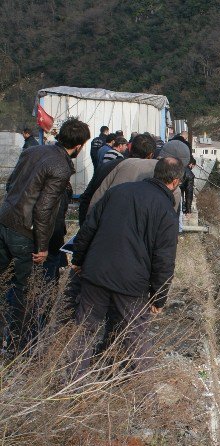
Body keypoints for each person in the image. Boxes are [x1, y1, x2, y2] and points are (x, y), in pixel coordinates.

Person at [70, 157, 182, 375]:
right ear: (176, 181)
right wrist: (159, 298)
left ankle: (72, 383)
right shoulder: (167, 212)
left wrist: (78, 260)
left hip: (96, 272)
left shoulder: (118, 192)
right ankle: (141, 394)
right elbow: (164, 260)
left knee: (83, 332)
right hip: (132, 285)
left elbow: (88, 229)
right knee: (135, 337)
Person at [0, 118, 89, 349]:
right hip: (24, 233)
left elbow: (11, 184)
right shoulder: (61, 166)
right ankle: (16, 347)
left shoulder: (34, 150)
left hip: (5, 220)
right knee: (23, 291)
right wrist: (42, 247)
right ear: (79, 145)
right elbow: (44, 209)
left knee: (3, 282)